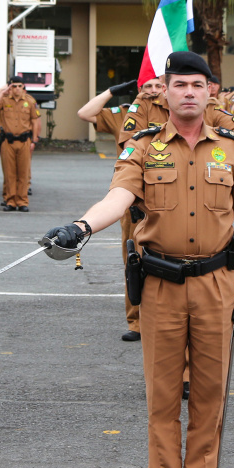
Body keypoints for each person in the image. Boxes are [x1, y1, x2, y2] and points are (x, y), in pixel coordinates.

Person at [45, 51, 234, 468]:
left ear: (211, 93)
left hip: (217, 285)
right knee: (163, 396)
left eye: (196, 85)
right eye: (179, 84)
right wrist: (81, 227)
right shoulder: (143, 146)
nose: (188, 92)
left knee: (209, 396)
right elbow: (119, 197)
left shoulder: (230, 149)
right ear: (164, 91)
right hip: (160, 287)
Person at [77, 78, 144, 341]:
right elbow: (85, 113)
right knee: (133, 260)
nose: (151, 90)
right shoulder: (126, 114)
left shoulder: (177, 115)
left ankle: (159, 322)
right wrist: (112, 91)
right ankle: (136, 322)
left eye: (157, 85)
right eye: (145, 85)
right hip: (131, 199)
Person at [0, 76, 40, 212]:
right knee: (9, 173)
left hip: (24, 141)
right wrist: (2, 91)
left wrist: (34, 140)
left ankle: (22, 201)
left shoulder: (29, 101)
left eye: (19, 86)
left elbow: (35, 121)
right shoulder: (3, 100)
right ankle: (10, 201)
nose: (16, 89)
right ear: (10, 87)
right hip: (7, 141)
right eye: (13, 86)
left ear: (23, 87)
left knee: (23, 172)